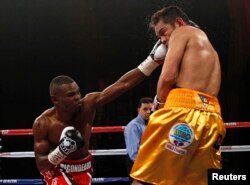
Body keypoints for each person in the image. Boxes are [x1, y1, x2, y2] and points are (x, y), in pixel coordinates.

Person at [32, 40, 167, 185]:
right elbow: (42, 164)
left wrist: (152, 61)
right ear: (55, 99)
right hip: (57, 170)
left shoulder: (88, 104)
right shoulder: (43, 123)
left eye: (78, 92)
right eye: (71, 95)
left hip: (84, 168)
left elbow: (122, 85)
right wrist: (62, 150)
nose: (78, 97)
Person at [130, 6, 226, 185]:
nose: (163, 40)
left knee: (144, 178)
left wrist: (158, 103)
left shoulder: (181, 33)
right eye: (159, 37)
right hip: (213, 118)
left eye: (163, 33)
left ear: (179, 23)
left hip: (183, 113)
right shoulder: (210, 49)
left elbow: (167, 77)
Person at [124, 97, 154, 184]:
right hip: (138, 164)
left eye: (150, 109)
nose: (148, 112)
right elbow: (133, 153)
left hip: (150, 163)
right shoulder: (133, 126)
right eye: (145, 109)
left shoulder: (153, 124)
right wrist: (145, 167)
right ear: (138, 110)